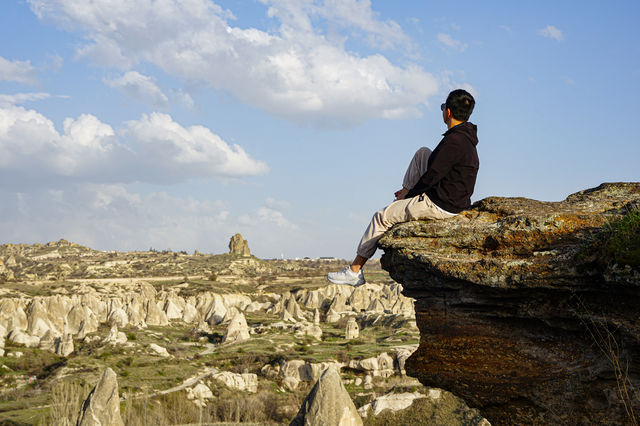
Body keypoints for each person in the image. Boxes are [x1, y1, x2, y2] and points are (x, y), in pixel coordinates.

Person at [327, 89, 479, 286]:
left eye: (443, 107)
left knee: (381, 217)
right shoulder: (464, 137)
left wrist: (412, 194)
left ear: (448, 112)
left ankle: (355, 271)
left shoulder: (453, 142)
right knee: (423, 153)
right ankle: (402, 199)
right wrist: (408, 190)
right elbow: (436, 168)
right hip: (453, 196)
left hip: (441, 204)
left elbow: (433, 176)